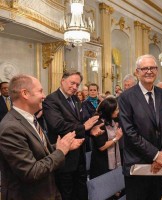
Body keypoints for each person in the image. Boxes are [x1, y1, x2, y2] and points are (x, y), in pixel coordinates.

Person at [0, 74, 84, 200]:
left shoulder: (29, 119)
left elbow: (39, 150)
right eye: (40, 91)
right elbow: (31, 172)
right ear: (25, 94)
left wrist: (62, 147)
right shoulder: (11, 128)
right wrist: (60, 152)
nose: (44, 96)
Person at [118, 54, 162, 200]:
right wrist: (155, 154)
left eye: (152, 68)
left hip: (160, 164)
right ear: (137, 72)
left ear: (157, 70)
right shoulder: (126, 97)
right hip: (137, 163)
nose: (149, 71)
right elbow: (129, 132)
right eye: (145, 68)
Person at [43, 71, 103, 200]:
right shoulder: (51, 100)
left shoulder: (75, 99)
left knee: (81, 192)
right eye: (72, 83)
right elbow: (58, 125)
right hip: (64, 157)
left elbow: (81, 122)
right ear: (62, 80)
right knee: (66, 193)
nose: (75, 87)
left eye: (77, 84)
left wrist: (90, 131)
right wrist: (83, 127)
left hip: (80, 155)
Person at [90, 97, 123, 179]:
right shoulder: (99, 123)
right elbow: (102, 147)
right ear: (109, 111)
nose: (117, 112)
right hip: (102, 163)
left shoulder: (112, 120)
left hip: (112, 158)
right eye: (115, 110)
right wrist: (116, 138)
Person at [82, 83, 101, 152]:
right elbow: (86, 117)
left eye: (94, 90)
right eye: (91, 90)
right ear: (88, 92)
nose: (93, 92)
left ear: (97, 91)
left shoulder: (100, 102)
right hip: (90, 131)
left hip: (101, 129)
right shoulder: (84, 103)